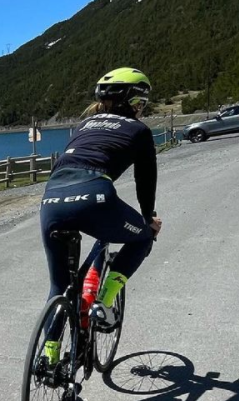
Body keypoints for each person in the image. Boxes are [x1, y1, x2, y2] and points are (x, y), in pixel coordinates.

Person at [39, 67, 162, 365]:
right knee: (143, 238)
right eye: (141, 102)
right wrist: (149, 217)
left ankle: (49, 357)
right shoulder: (139, 130)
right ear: (135, 102)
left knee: (59, 286)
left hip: (51, 200)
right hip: (95, 196)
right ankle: (104, 304)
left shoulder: (82, 126)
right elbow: (146, 180)